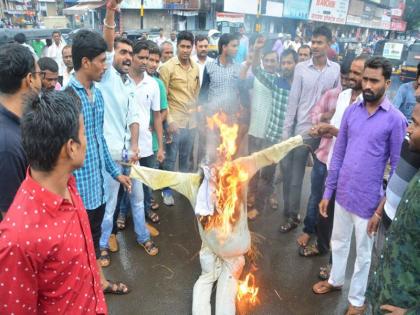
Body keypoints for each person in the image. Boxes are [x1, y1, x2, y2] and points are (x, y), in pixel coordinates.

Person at [128, 132, 304, 315]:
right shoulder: (238, 170)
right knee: (225, 285)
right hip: (231, 252)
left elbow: (160, 178)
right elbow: (268, 155)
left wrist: (129, 169)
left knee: (206, 279)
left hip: (214, 251)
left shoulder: (195, 181)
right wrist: (298, 140)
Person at [312, 57, 407, 315]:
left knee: (363, 255)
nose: (367, 84)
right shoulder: (352, 110)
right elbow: (339, 153)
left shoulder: (395, 120)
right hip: (342, 193)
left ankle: (357, 300)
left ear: (387, 83)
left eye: (374, 81)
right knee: (339, 241)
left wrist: (381, 209)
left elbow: (398, 168)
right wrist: (328, 192)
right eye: (365, 78)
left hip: (368, 202)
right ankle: (335, 280)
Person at [0, 92, 107, 315]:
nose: (86, 141)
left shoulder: (69, 183)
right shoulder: (17, 239)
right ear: (71, 147)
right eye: (84, 133)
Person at [66, 28, 131, 295]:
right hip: (77, 191)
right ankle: (80, 291)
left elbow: (98, 139)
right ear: (85, 62)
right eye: (102, 61)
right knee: (75, 245)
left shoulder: (98, 94)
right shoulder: (68, 99)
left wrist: (115, 173)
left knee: (91, 241)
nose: (105, 66)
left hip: (98, 187)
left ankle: (98, 283)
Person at [97, 3, 158, 268]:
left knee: (138, 196)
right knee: (109, 203)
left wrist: (134, 147)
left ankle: (142, 236)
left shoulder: (129, 85)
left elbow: (135, 118)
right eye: (122, 52)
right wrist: (110, 13)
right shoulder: (108, 76)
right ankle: (102, 246)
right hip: (109, 154)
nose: (126, 56)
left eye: (129, 53)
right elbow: (107, 41)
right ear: (113, 56)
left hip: (127, 154)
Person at [304, 56, 367, 280]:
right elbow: (337, 128)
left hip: (350, 170)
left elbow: (356, 137)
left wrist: (330, 129)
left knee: (341, 224)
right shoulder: (342, 96)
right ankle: (321, 246)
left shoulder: (367, 104)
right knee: (324, 210)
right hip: (330, 161)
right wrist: (323, 128)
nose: (352, 76)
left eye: (358, 73)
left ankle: (334, 267)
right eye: (351, 71)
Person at [280, 26, 341, 233]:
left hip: (324, 134)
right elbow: (293, 102)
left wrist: (328, 121)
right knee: (295, 178)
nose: (315, 46)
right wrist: (286, 133)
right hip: (302, 132)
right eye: (313, 42)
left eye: (319, 42)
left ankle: (314, 222)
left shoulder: (335, 70)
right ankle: (292, 215)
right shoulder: (301, 69)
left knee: (320, 180)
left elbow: (338, 101)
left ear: (329, 44)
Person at [366, 102, 420, 315]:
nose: (408, 129)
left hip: (405, 303)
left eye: (415, 124)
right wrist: (380, 210)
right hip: (386, 290)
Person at [296, 61, 352, 253]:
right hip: (323, 156)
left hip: (343, 163)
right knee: (316, 196)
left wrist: (330, 128)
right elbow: (315, 116)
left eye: (350, 77)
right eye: (343, 78)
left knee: (335, 205)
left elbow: (351, 134)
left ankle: (324, 241)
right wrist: (326, 119)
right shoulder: (334, 95)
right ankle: (308, 229)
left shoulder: (361, 102)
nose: (346, 81)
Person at [0, 44, 42, 220]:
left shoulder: (18, 122)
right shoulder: (7, 145)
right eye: (40, 75)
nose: (41, 81)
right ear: (30, 79)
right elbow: (12, 218)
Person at [159, 31, 200, 206]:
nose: (185, 50)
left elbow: (196, 94)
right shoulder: (167, 67)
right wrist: (169, 121)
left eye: (188, 47)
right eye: (182, 46)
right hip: (174, 121)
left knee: (186, 158)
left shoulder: (196, 67)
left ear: (192, 48)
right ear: (177, 47)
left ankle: (183, 187)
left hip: (192, 122)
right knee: (170, 158)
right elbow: (163, 98)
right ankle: (166, 190)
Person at [129, 40, 163, 228]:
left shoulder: (153, 84)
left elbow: (157, 117)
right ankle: (124, 213)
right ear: (132, 57)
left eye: (147, 58)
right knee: (128, 180)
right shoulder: (122, 81)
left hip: (148, 145)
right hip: (127, 145)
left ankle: (147, 209)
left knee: (147, 181)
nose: (144, 61)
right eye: (140, 57)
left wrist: (161, 147)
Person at [199, 33, 245, 163]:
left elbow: (242, 92)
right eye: (234, 46)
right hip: (213, 118)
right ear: (224, 47)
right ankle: (208, 180)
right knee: (211, 154)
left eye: (237, 46)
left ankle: (225, 182)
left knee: (228, 154)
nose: (237, 49)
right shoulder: (209, 66)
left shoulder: (239, 68)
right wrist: (202, 117)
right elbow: (203, 92)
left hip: (231, 119)